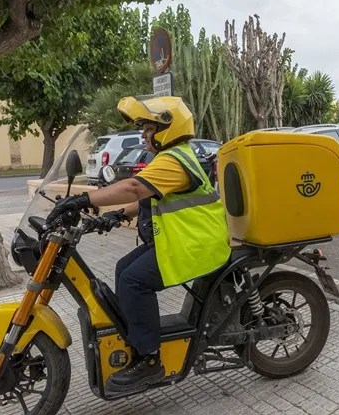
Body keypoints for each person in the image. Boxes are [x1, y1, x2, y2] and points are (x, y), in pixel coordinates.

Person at [47, 95, 231, 392]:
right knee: (123, 268)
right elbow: (149, 197)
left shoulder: (175, 160)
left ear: (167, 129)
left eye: (149, 128)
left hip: (196, 245)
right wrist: (115, 216)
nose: (144, 134)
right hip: (183, 241)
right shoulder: (172, 157)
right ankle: (136, 334)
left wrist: (82, 199)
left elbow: (134, 188)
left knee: (134, 281)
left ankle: (149, 360)